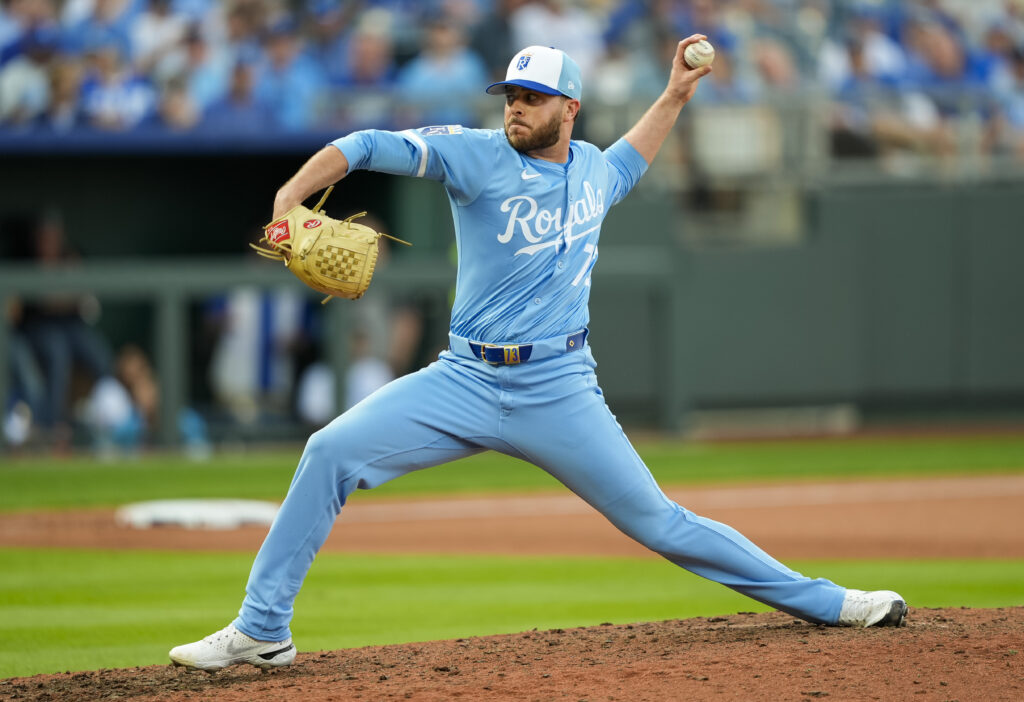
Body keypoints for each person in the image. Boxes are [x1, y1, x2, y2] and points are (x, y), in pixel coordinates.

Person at [169, 37, 907, 672]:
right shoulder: (474, 156)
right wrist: (289, 198)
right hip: (463, 378)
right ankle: (262, 631)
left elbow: (632, 158)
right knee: (329, 451)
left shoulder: (593, 170)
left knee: (659, 522)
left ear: (569, 109)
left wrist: (676, 94)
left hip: (559, 387)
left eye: (533, 98)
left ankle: (830, 602)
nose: (516, 108)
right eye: (511, 96)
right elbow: (364, 145)